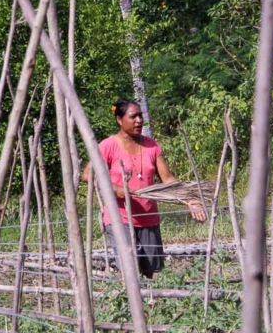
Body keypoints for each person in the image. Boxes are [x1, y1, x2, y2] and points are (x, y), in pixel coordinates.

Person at [82, 99, 206, 279]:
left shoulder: (151, 146)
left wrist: (190, 199)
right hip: (119, 217)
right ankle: (132, 305)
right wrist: (114, 187)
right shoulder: (108, 146)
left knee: (150, 272)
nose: (139, 120)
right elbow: (87, 174)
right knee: (130, 270)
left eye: (140, 116)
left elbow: (168, 179)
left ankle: (149, 305)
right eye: (133, 116)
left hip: (148, 218)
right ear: (119, 119)